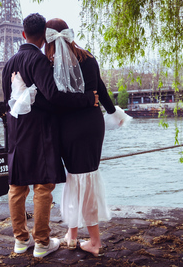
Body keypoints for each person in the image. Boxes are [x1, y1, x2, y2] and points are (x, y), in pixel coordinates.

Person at [1, 13, 99, 258]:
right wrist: (88, 99)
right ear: (45, 38)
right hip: (40, 132)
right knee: (43, 186)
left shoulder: (8, 64)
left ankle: (21, 240)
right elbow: (54, 97)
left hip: (16, 133)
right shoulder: (39, 61)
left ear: (23, 34)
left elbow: (7, 103)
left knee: (16, 187)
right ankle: (42, 243)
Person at [44, 18, 129, 257]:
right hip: (92, 125)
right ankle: (73, 235)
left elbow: (54, 100)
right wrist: (113, 112)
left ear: (50, 38)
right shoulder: (88, 58)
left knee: (77, 179)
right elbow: (100, 88)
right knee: (84, 178)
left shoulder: (50, 64)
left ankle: (94, 241)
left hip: (68, 128)